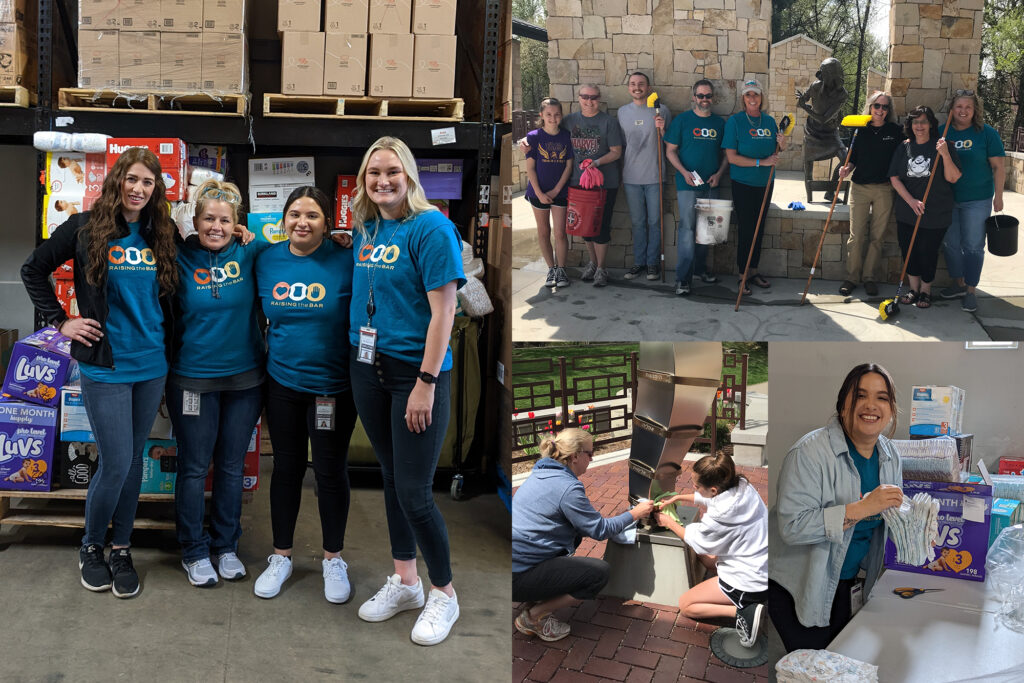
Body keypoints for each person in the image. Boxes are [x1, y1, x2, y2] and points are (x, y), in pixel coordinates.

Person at [21, 147, 179, 598]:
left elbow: (205, 251)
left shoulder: (161, 231)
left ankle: (122, 547)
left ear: (155, 189)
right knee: (115, 463)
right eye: (132, 179)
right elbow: (33, 269)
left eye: (148, 182)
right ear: (117, 181)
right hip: (106, 366)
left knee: (131, 464)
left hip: (152, 366)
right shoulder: (86, 227)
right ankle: (92, 546)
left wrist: (242, 234)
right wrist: (61, 320)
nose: (138, 189)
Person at [348, 137, 466, 646]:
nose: (383, 181)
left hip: (413, 375)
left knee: (416, 493)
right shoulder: (366, 228)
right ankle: (406, 582)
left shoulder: (433, 227)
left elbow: (445, 312)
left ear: (410, 175)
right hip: (366, 366)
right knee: (393, 480)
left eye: (392, 171)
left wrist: (426, 383)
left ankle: (445, 593)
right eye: (374, 173)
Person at [252, 187, 359, 604]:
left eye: (312, 215)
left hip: (333, 388)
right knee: (286, 469)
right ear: (283, 219)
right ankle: (281, 557)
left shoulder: (347, 258)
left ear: (328, 223)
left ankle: (333, 558)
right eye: (294, 214)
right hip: (282, 385)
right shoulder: (266, 259)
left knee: (331, 472)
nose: (302, 222)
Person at [168, 179, 266, 587]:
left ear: (237, 224)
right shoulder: (177, 255)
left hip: (245, 380)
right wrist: (179, 218)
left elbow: (297, 248)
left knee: (230, 466)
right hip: (192, 380)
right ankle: (193, 550)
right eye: (208, 218)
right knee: (193, 468)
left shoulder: (251, 250)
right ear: (195, 220)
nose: (216, 227)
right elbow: (162, 216)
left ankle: (226, 546)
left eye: (225, 220)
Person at [768, 363, 904, 652]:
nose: (871, 405)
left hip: (849, 582)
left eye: (882, 397)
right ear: (843, 404)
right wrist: (862, 508)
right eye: (860, 395)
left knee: (844, 658)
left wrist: (916, 530)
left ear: (891, 408)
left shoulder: (890, 454)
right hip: (801, 588)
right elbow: (792, 528)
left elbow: (889, 514)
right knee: (814, 667)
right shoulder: (809, 453)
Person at [512, 428, 655, 641]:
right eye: (590, 453)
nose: (593, 457)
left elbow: (588, 525)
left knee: (576, 535)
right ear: (575, 456)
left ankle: (538, 594)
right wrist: (635, 514)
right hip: (518, 578)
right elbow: (599, 531)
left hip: (513, 567)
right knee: (598, 573)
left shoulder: (540, 473)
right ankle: (533, 616)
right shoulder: (568, 488)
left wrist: (622, 517)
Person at [653, 453, 768, 647]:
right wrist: (679, 497)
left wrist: (668, 522)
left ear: (713, 489)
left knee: (686, 605)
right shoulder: (742, 487)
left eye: (696, 486)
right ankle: (748, 602)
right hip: (762, 566)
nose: (694, 489)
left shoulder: (719, 516)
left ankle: (745, 611)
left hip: (748, 581)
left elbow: (695, 538)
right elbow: (711, 498)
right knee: (707, 560)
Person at [520, 85, 624, 287]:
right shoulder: (569, 121)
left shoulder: (608, 122)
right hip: (577, 184)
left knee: (600, 228)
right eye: (585, 96)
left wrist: (596, 163)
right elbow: (543, 133)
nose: (589, 100)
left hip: (603, 184)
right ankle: (591, 263)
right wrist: (524, 140)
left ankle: (601, 269)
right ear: (579, 98)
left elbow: (616, 151)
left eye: (593, 97)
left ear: (599, 99)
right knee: (585, 228)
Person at [888, 106, 962, 309]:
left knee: (928, 252)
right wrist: (911, 201)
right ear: (910, 125)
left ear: (931, 124)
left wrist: (945, 154)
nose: (919, 126)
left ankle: (926, 291)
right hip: (907, 211)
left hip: (936, 212)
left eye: (923, 121)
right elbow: (894, 177)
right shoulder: (904, 147)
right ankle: (913, 289)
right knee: (909, 250)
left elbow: (953, 177)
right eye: (915, 122)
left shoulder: (942, 145)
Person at [940, 90, 1006, 312]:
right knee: (950, 244)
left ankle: (970, 290)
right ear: (952, 109)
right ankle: (958, 283)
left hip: (977, 199)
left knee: (974, 246)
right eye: (959, 106)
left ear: (975, 110)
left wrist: (999, 196)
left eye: (968, 107)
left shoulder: (986, 133)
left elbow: (998, 167)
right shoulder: (942, 133)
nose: (963, 111)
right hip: (948, 200)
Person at [838, 91, 904, 297]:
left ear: (888, 110)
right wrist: (846, 168)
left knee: (877, 236)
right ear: (870, 107)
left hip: (885, 188)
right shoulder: (860, 130)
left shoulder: (895, 131)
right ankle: (852, 278)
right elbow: (853, 157)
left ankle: (869, 278)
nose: (880, 111)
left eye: (885, 107)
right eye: (877, 106)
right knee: (856, 236)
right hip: (860, 188)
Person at [723, 79, 787, 294]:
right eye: (748, 94)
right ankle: (742, 275)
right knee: (746, 228)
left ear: (761, 98)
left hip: (765, 183)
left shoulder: (769, 122)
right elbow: (731, 157)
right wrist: (761, 162)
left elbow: (775, 152)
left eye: (756, 94)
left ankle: (754, 270)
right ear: (743, 98)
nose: (752, 98)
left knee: (759, 228)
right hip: (743, 183)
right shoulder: (735, 122)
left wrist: (782, 145)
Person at [665, 79, 727, 296]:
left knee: (708, 232)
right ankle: (683, 279)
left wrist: (719, 174)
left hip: (711, 184)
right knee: (687, 230)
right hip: (687, 185)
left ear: (713, 98)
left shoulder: (720, 124)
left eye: (708, 96)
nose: (704, 100)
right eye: (700, 96)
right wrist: (684, 173)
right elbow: (670, 151)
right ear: (693, 97)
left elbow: (726, 154)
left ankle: (701, 270)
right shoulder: (682, 120)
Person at [618, 72, 672, 282]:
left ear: (648, 88)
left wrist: (662, 129)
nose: (637, 87)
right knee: (638, 222)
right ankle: (639, 263)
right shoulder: (622, 112)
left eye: (641, 84)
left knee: (655, 221)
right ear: (629, 88)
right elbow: (623, 144)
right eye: (633, 84)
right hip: (631, 177)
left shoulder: (661, 110)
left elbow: (670, 142)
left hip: (655, 176)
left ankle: (652, 264)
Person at [524, 97, 573, 289]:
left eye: (557, 114)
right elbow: (530, 168)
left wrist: (556, 189)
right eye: (549, 114)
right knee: (544, 231)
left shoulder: (566, 136)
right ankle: (551, 269)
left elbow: (568, 166)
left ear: (561, 115)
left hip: (559, 192)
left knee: (560, 233)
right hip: (538, 192)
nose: (553, 118)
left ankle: (562, 270)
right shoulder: (533, 137)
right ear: (541, 116)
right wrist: (539, 192)